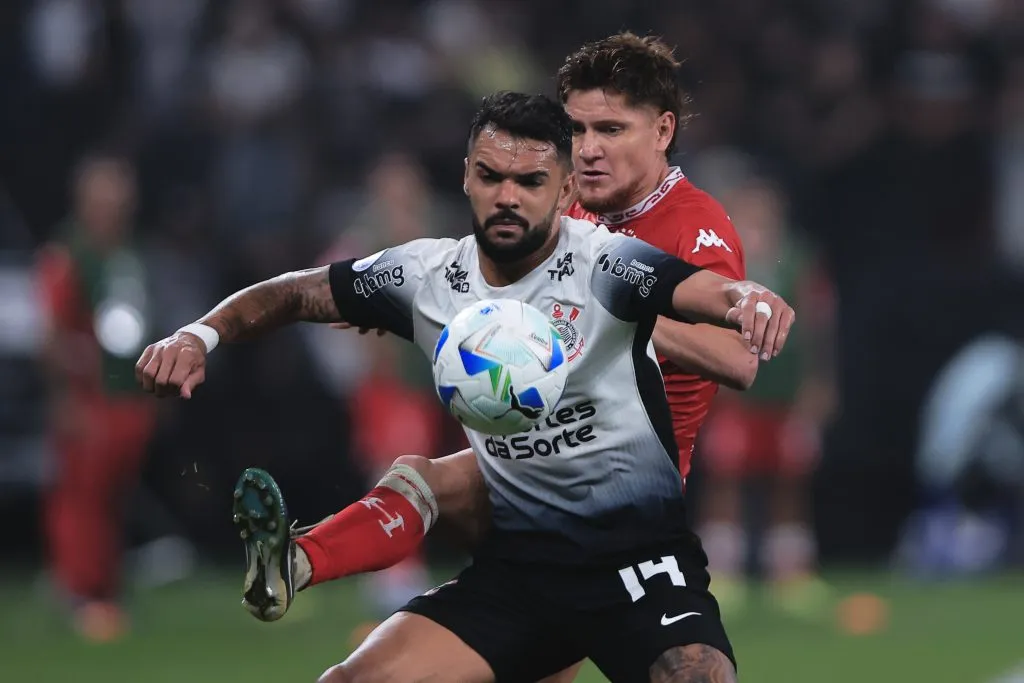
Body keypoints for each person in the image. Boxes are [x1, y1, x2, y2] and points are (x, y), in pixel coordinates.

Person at [138, 91, 794, 682]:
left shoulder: (604, 262)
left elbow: (695, 286)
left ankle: (303, 557)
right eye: (491, 175)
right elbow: (295, 293)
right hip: (522, 573)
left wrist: (747, 296)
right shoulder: (426, 277)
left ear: (566, 190)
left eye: (530, 181)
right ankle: (300, 561)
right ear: (466, 178)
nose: (507, 195)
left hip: (636, 563)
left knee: (697, 675)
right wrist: (199, 335)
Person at [697, 176, 835, 616]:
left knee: (789, 481)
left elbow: (819, 327)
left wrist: (820, 383)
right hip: (735, 394)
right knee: (725, 479)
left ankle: (790, 570)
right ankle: (722, 569)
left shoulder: (799, 259)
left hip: (786, 393)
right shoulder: (719, 261)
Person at [37, 153, 156, 641]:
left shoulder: (128, 251)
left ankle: (105, 585)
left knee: (113, 496)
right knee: (81, 496)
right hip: (90, 399)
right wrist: (64, 395)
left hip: (128, 394)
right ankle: (81, 591)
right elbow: (51, 334)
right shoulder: (68, 253)